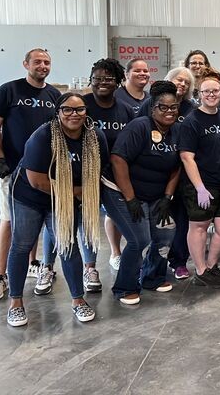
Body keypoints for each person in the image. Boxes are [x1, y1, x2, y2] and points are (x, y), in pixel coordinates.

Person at [5, 92, 109, 326]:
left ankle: (78, 300)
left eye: (80, 109)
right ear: (58, 113)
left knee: (68, 245)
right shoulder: (43, 136)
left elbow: (99, 170)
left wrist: (81, 192)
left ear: (86, 112)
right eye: (68, 110)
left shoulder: (95, 137)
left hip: (62, 199)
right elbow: (37, 181)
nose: (74, 114)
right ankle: (16, 303)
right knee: (21, 245)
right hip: (28, 197)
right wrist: (77, 192)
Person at [0, 48, 61, 303]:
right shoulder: (10, 90)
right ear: (25, 64)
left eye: (47, 62)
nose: (42, 66)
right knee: (9, 220)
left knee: (37, 220)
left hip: (43, 171)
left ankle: (32, 263)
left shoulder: (54, 95)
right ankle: (0, 276)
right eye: (37, 61)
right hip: (14, 169)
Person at [100, 81, 182, 305]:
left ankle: (152, 277)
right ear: (152, 108)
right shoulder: (140, 126)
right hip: (119, 189)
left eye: (173, 107)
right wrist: (130, 199)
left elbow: (177, 167)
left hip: (154, 193)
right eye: (162, 107)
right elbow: (118, 160)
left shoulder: (177, 131)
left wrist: (167, 197)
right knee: (139, 239)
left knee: (166, 232)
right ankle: (124, 286)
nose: (169, 112)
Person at [179, 70, 220, 288]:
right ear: (199, 94)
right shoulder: (191, 121)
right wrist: (199, 188)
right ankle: (200, 270)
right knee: (199, 226)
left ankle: (211, 264)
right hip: (203, 184)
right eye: (207, 91)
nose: (212, 95)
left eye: (215, 91)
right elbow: (187, 157)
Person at [139, 67, 195, 279]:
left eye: (187, 83)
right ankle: (149, 265)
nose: (182, 85)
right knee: (154, 227)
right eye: (178, 80)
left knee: (182, 221)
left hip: (180, 174)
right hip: (152, 176)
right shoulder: (149, 105)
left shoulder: (190, 109)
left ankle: (179, 261)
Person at [82, 58, 135, 277]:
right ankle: (90, 268)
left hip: (114, 175)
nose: (103, 82)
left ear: (118, 82)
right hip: (85, 174)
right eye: (98, 78)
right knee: (88, 221)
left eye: (109, 79)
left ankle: (115, 253)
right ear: (91, 80)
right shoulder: (81, 105)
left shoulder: (125, 110)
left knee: (114, 215)